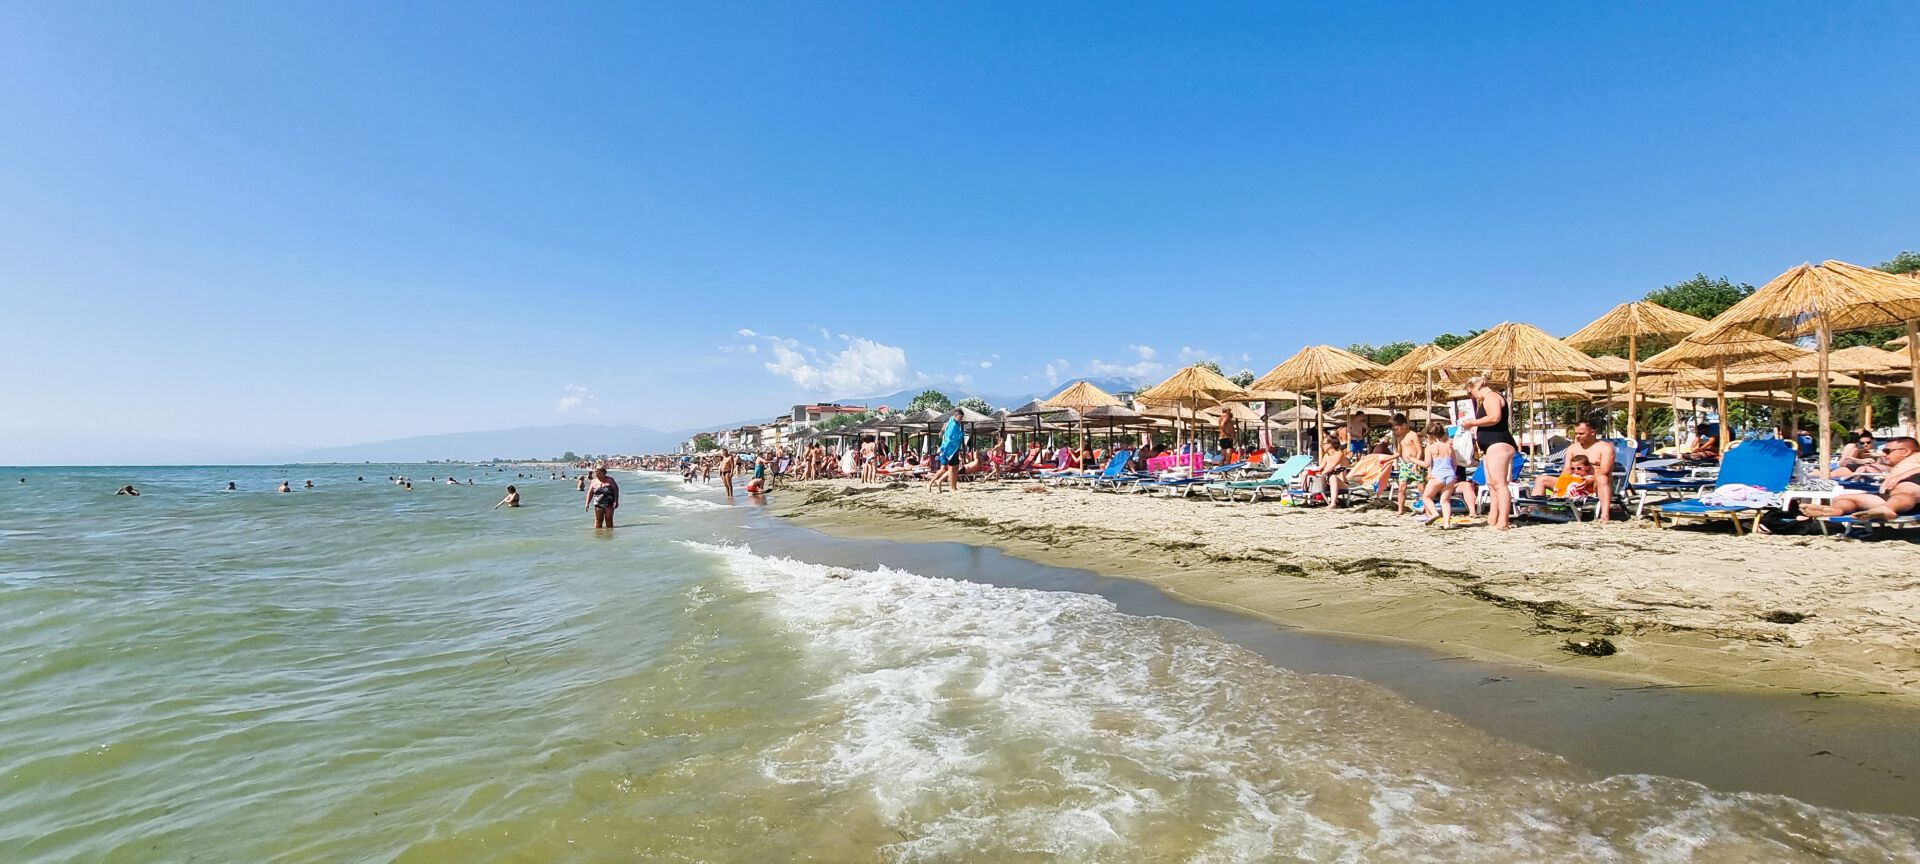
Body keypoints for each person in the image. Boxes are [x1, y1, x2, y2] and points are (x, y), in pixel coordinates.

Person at [1801, 438, 1920, 522]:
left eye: (1887, 451)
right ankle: (1835, 510)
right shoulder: (1901, 464)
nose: (1884, 454)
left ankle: (1887, 508)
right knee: (1844, 498)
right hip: (1891, 499)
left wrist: (1900, 477)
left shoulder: (1916, 456)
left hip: (1909, 493)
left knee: (1903, 492)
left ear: (1906, 451)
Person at [1459, 375, 1519, 530]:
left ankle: (1503, 521)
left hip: (1498, 443)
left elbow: (1494, 417)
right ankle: (1493, 518)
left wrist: (1472, 423)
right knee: (1492, 484)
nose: (1471, 396)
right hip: (1491, 445)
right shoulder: (1487, 399)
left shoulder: (1491, 396)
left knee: (1500, 484)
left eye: (1470, 392)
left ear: (1474, 387)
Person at [1530, 420, 1617, 521]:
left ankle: (1605, 515)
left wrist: (1590, 480)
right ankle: (1534, 510)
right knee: (1541, 479)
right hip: (1574, 482)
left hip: (1595, 484)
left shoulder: (1605, 448)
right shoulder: (1572, 448)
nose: (1578, 436)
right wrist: (1562, 483)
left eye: (1581, 433)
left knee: (1602, 478)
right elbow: (1567, 469)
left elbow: (1605, 470)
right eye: (1576, 433)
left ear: (1593, 432)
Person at [1416, 422, 1459, 527]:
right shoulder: (1449, 447)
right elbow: (1454, 464)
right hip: (1450, 475)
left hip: (1437, 476)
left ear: (1430, 435)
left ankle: (1434, 513)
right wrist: (1452, 474)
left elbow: (1427, 464)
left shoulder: (1430, 447)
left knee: (1426, 497)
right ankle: (1447, 523)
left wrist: (1413, 460)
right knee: (1445, 501)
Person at [1391, 413, 1422, 515]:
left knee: (1421, 488)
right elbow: (1399, 453)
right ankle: (1401, 510)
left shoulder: (1413, 435)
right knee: (1401, 488)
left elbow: (1419, 451)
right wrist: (1387, 459)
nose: (1396, 431)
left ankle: (1427, 508)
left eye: (1397, 429)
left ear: (1404, 426)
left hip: (1415, 464)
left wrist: (1416, 464)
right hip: (1404, 465)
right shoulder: (1400, 438)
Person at [929, 408, 965, 493]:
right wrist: (960, 435)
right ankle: (951, 487)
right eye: (960, 418)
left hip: (951, 449)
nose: (961, 419)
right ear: (955, 416)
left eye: (962, 418)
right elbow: (949, 438)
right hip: (949, 450)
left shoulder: (952, 423)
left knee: (953, 468)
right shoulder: (953, 425)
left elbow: (944, 435)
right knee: (950, 469)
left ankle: (950, 486)